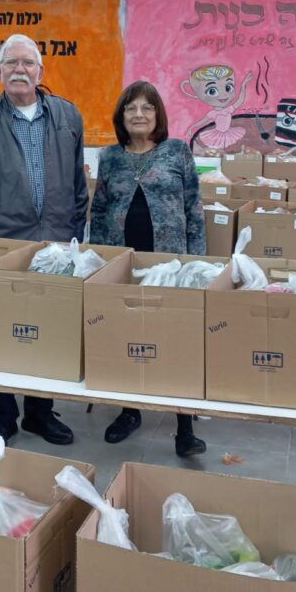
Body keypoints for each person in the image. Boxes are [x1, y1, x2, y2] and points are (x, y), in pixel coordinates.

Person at [0, 33, 87, 446]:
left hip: (56, 246)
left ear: (41, 72)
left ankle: (40, 414)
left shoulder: (67, 117)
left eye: (27, 63)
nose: (20, 70)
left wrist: (77, 237)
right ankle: (3, 416)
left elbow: (78, 184)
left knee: (47, 331)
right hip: (1, 245)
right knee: (0, 332)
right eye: (11, 63)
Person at [90, 80, 208, 457]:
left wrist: (196, 262)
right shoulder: (109, 157)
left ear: (157, 115)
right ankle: (129, 412)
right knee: (130, 334)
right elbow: (99, 208)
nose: (138, 114)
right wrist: (101, 262)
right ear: (121, 117)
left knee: (175, 337)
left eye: (147, 108)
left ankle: (184, 426)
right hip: (124, 262)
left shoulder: (176, 151)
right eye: (131, 108)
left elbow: (194, 207)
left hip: (170, 262)